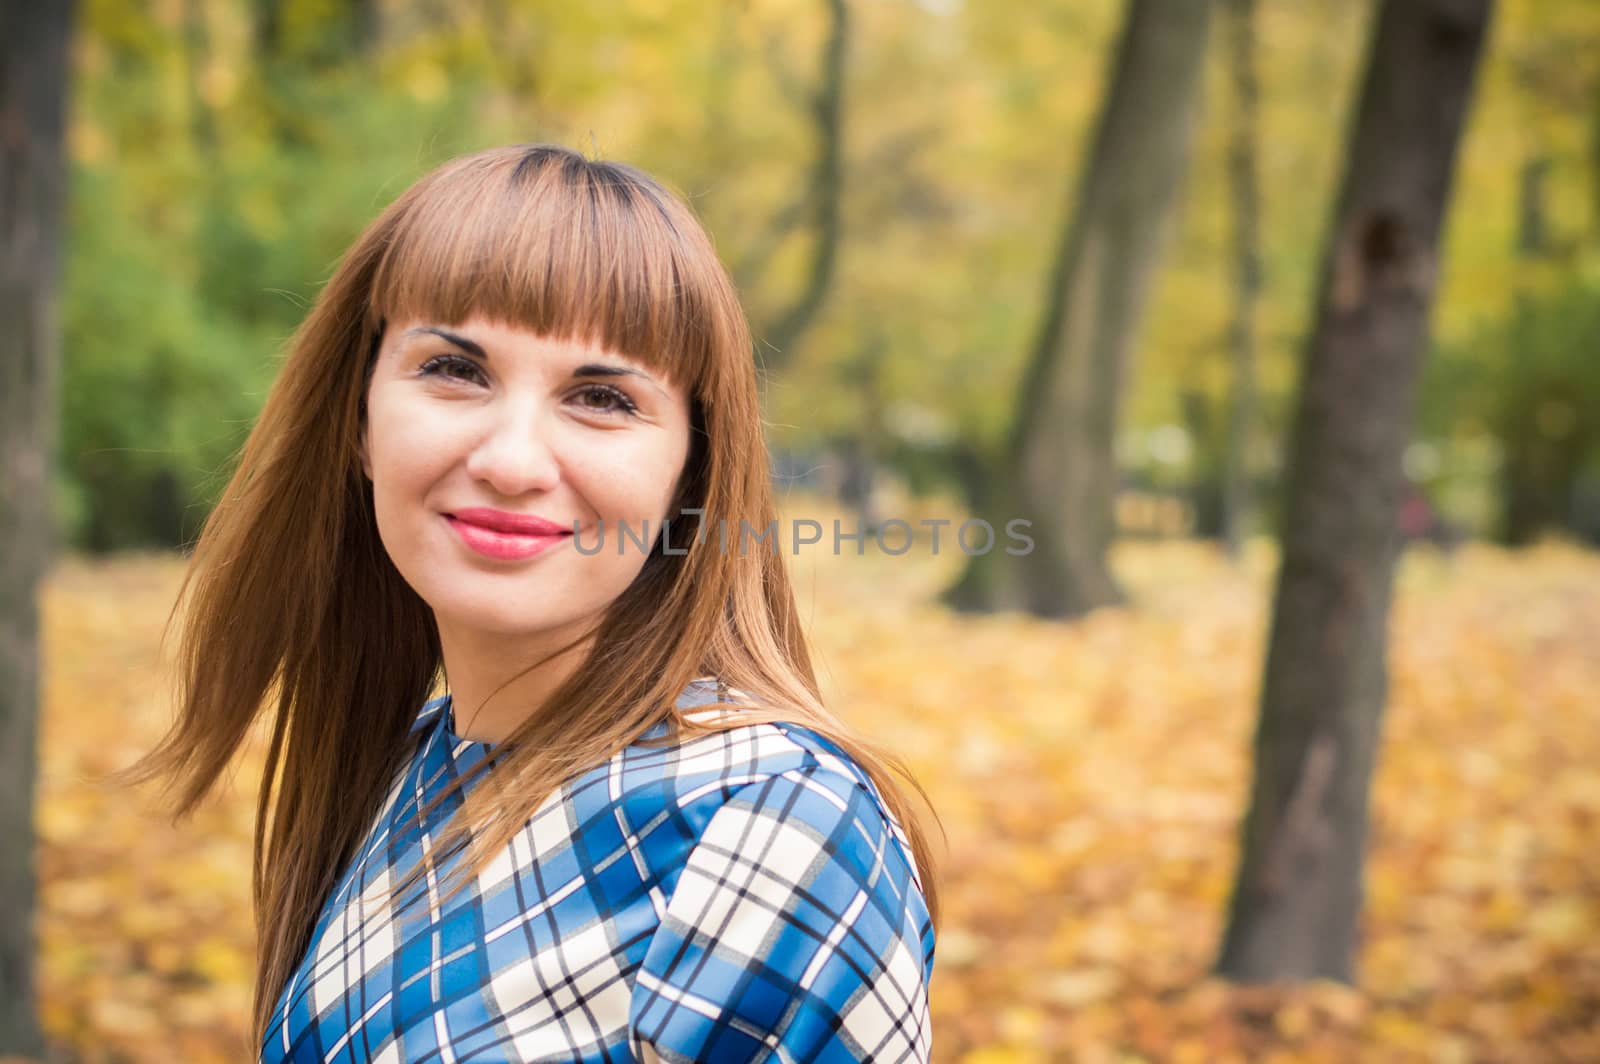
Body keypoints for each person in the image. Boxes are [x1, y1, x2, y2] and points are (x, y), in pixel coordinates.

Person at [130, 144, 939, 1062]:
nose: (511, 461)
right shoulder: (405, 764)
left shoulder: (767, 825)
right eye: (456, 370)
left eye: (601, 397)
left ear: (690, 473)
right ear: (357, 421)